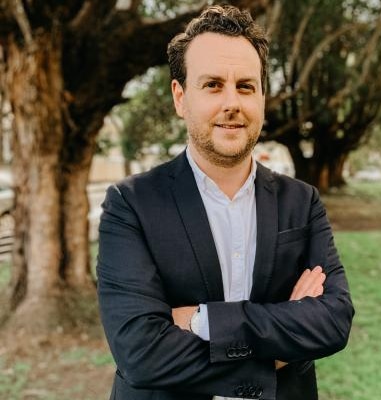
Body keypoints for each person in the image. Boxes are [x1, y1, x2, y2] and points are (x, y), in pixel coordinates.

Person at [97, 5, 354, 400]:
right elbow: (141, 353)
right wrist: (281, 345)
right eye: (213, 85)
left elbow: (333, 321)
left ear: (262, 98)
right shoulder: (130, 204)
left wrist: (204, 321)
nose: (231, 102)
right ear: (180, 97)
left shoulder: (301, 202)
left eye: (246, 86)